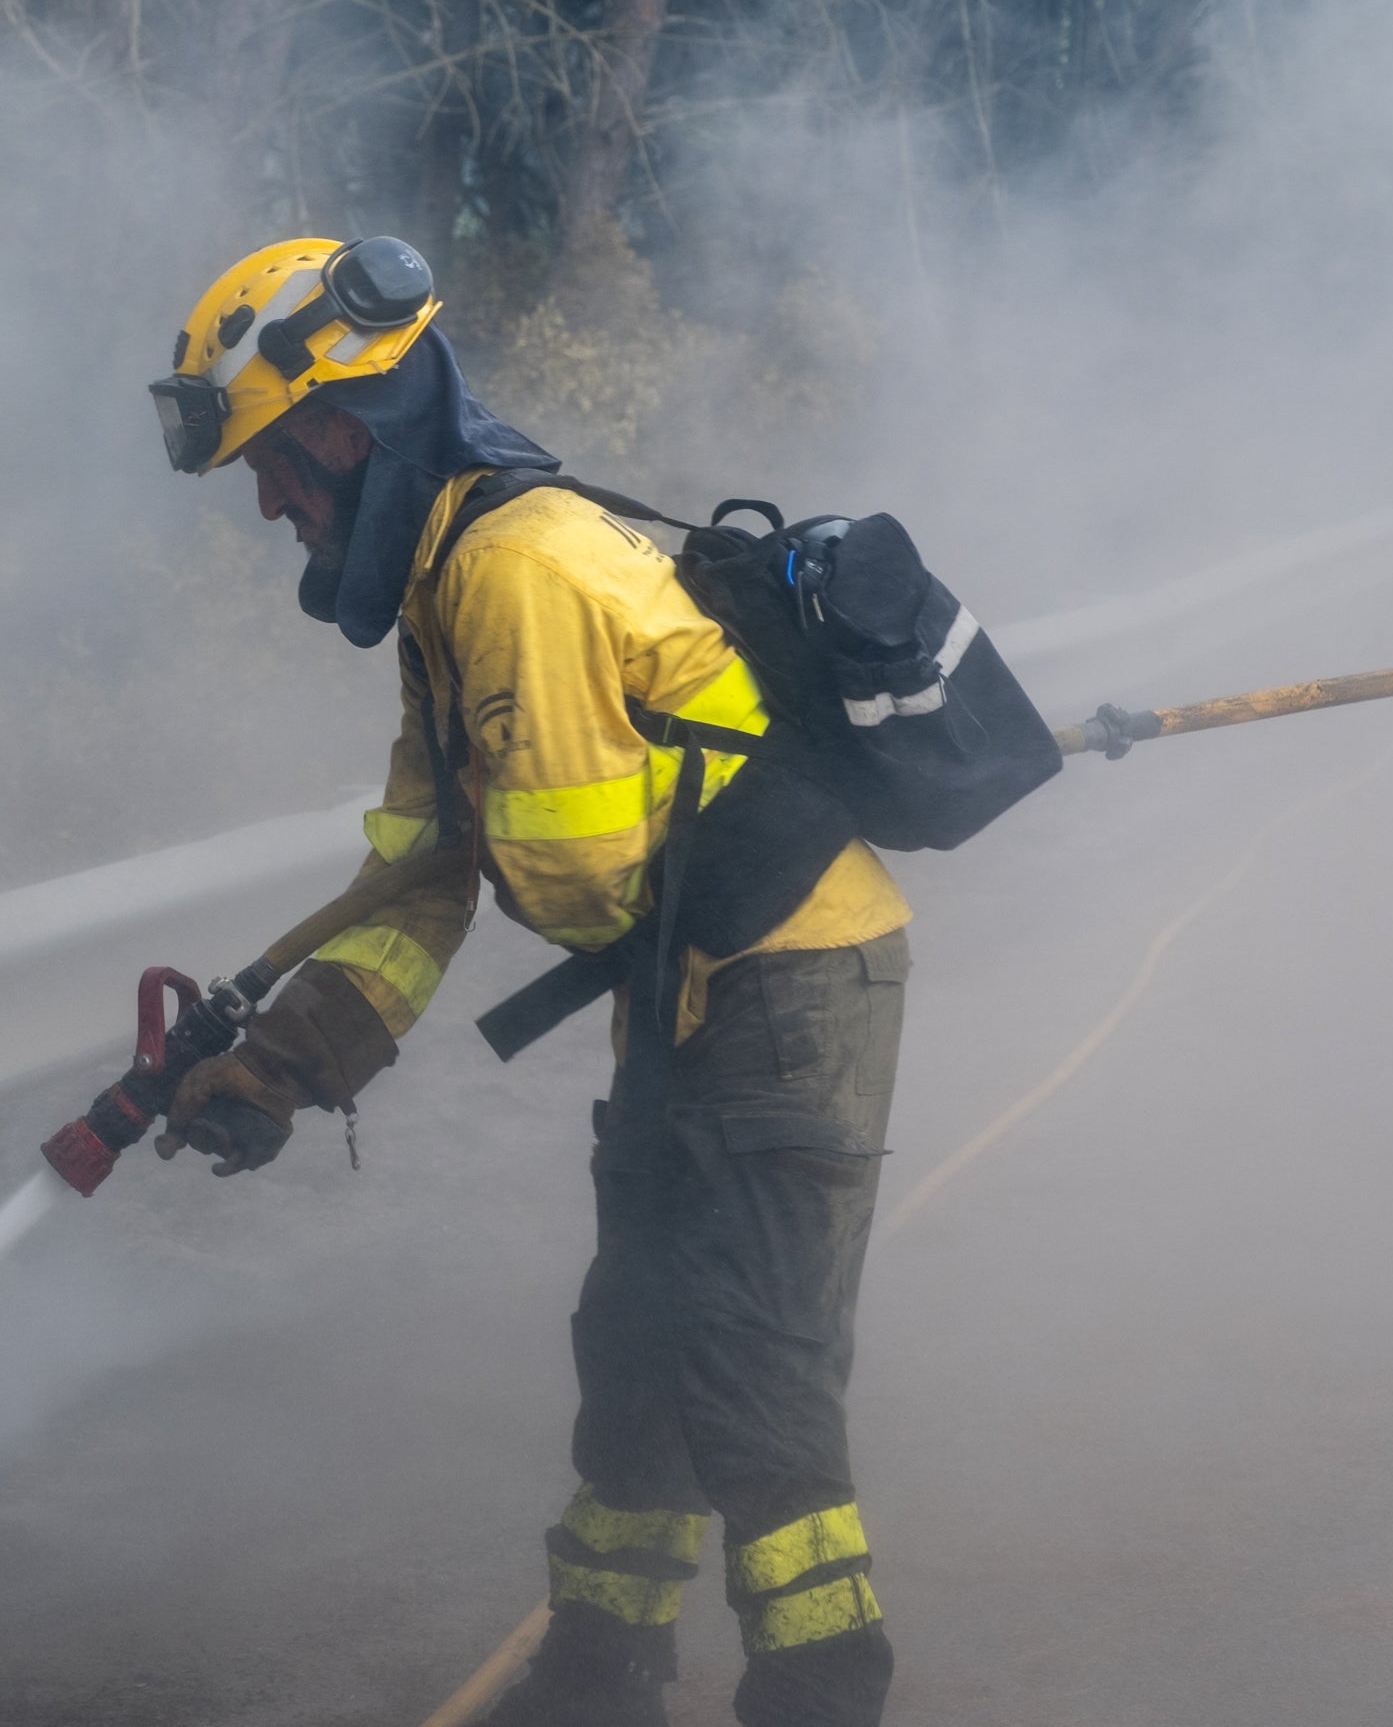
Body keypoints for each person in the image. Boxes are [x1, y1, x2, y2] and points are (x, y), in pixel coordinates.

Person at [145, 237, 914, 1727]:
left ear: (347, 431)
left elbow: (572, 872)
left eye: (275, 466)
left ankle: (824, 1693)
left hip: (792, 984)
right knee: (634, 1345)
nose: (268, 503)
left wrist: (464, 849)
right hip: (691, 995)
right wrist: (290, 1063)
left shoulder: (515, 567)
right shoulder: (448, 584)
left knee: (752, 1374)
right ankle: (594, 1682)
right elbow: (418, 868)